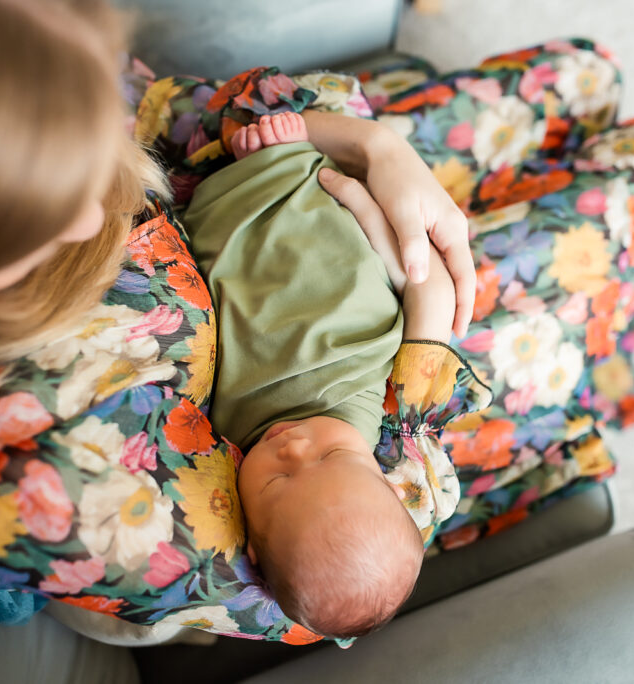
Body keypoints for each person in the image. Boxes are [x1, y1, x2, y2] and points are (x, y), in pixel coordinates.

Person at [0, 0, 634, 646]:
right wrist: (410, 361)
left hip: (284, 194)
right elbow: (314, 577)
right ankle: (633, 340)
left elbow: (161, 111)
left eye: (87, 145)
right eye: (46, 211)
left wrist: (366, 146)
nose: (100, 210)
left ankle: (624, 322)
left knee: (584, 79)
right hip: (399, 396)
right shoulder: (25, 474)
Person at [180, 110, 464, 637]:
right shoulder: (392, 413)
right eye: (333, 455)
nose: (293, 448)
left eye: (278, 482)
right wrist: (360, 203)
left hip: (226, 226)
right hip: (309, 199)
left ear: (254, 543)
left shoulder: (218, 440)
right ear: (383, 475)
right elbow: (431, 298)